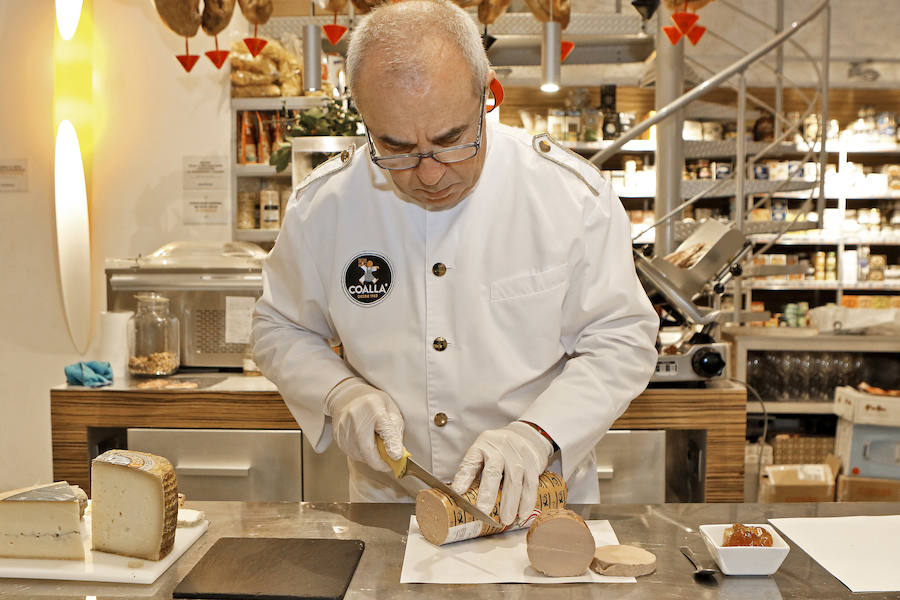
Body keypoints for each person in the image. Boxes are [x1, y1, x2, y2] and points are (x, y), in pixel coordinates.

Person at [252, 0, 659, 526]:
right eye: (395, 147)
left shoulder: (570, 196)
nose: (428, 173)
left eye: (450, 140)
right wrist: (340, 392)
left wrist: (536, 435)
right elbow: (278, 327)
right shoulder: (325, 207)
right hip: (392, 513)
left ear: (490, 94)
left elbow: (622, 338)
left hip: (540, 508)